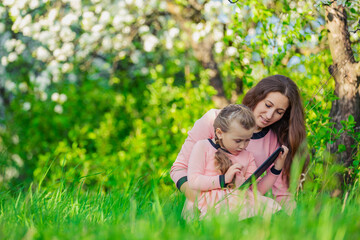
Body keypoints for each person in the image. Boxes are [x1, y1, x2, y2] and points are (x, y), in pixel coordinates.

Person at [171, 75, 307, 214]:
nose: (269, 115)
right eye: (267, 105)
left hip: (242, 208)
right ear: (257, 97)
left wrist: (297, 223)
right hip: (203, 207)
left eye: (279, 112)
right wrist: (204, 203)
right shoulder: (215, 120)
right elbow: (179, 169)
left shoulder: (275, 141)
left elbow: (280, 194)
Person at [183, 104, 288, 220]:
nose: (243, 146)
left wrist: (276, 169)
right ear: (219, 133)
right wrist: (224, 179)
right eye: (238, 140)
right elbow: (193, 181)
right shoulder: (203, 147)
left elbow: (256, 191)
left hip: (238, 200)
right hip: (209, 203)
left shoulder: (247, 156)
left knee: (269, 208)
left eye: (247, 140)